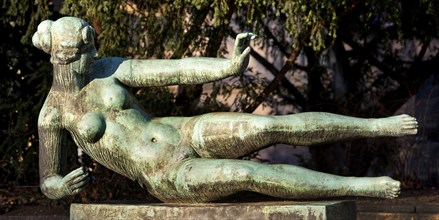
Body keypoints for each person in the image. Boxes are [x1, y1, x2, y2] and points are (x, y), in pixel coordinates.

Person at [33, 17, 418, 203]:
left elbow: (175, 68)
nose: (85, 61)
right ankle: (361, 187)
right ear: (57, 56)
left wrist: (228, 66)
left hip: (183, 130)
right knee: (246, 171)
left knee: (267, 128)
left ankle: (378, 125)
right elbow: (47, 180)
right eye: (75, 56)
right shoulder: (53, 113)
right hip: (165, 174)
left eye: (88, 51)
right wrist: (60, 186)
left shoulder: (108, 69)